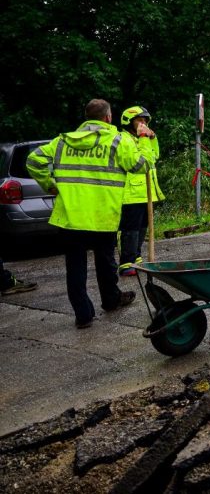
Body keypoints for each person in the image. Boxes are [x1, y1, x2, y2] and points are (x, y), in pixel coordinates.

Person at [26, 99, 148, 328]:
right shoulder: (117, 141)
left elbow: (33, 160)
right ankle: (111, 300)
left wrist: (49, 184)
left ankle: (83, 314)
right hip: (102, 215)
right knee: (105, 260)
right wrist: (144, 140)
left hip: (71, 218)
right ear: (108, 118)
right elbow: (142, 166)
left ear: (86, 118)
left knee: (75, 266)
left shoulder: (63, 141)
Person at [117, 106, 163, 276]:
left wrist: (152, 137)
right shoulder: (124, 139)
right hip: (130, 193)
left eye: (145, 121)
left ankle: (136, 257)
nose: (143, 124)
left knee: (142, 226)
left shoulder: (141, 138)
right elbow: (137, 162)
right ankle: (126, 262)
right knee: (130, 229)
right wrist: (144, 137)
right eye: (139, 120)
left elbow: (154, 156)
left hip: (145, 191)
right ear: (128, 122)